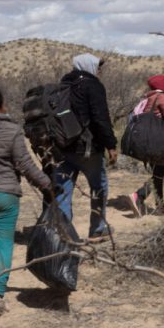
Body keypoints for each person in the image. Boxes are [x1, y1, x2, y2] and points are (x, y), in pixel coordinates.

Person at [0, 89, 53, 316]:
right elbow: (25, 164)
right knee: (2, 245)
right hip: (6, 196)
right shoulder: (12, 130)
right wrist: (47, 184)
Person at [54, 53, 117, 239]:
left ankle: (63, 232)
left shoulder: (63, 85)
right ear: (89, 66)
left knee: (63, 190)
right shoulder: (92, 85)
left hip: (63, 146)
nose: (99, 71)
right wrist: (111, 144)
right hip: (88, 148)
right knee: (99, 186)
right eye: (98, 67)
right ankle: (97, 229)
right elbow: (100, 118)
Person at [127, 74, 164, 217]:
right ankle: (139, 195)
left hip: (147, 142)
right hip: (158, 142)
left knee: (158, 174)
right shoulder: (161, 97)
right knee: (158, 174)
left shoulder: (148, 97)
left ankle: (160, 207)